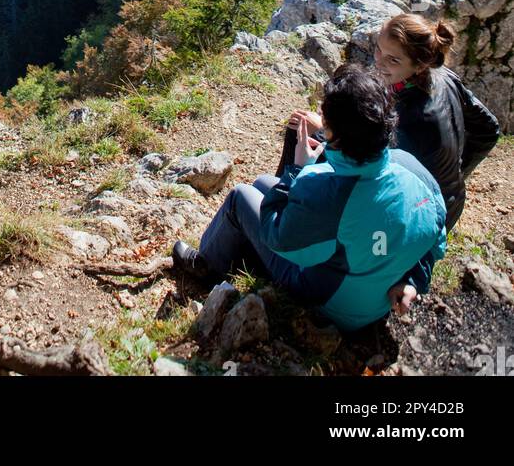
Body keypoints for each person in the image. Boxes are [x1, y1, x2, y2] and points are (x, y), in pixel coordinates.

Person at [172, 64, 447, 333]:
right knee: (263, 183)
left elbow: (279, 235)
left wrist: (299, 171)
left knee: (240, 197)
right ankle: (240, 250)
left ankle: (206, 268)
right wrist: (412, 281)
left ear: (335, 135)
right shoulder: (414, 171)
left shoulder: (324, 193)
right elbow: (433, 241)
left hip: (331, 306)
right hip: (378, 299)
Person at [275, 15, 500, 232]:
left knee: (302, 132)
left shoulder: (411, 119)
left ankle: (282, 215)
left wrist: (324, 129)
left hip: (412, 218)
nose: (378, 62)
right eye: (378, 49)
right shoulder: (443, 76)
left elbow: (363, 165)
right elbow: (488, 128)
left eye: (393, 59)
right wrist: (454, 175)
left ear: (419, 65)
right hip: (445, 207)